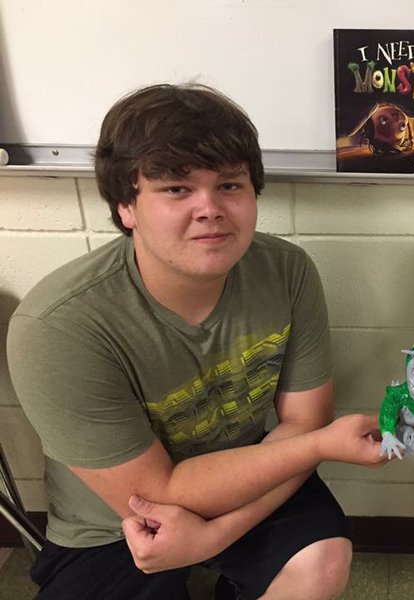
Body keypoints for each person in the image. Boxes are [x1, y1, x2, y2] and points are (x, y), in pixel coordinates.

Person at [7, 83, 387, 600]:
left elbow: (305, 424)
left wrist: (213, 535)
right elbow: (157, 493)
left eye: (230, 185)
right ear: (126, 206)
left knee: (320, 561)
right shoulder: (60, 325)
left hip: (250, 475)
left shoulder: (288, 272)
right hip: (121, 522)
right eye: (176, 189)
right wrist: (316, 446)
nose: (209, 208)